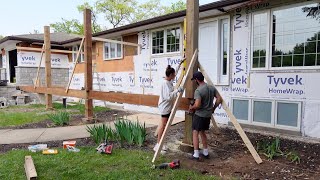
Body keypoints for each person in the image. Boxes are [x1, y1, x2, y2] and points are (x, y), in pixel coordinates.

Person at [188, 71, 222, 160]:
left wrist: (192, 107)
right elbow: (219, 98)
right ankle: (206, 152)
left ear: (196, 80)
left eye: (194, 80)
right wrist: (213, 108)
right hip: (207, 115)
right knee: (202, 132)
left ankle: (196, 154)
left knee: (195, 132)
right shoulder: (211, 87)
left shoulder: (198, 90)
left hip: (199, 115)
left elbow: (198, 104)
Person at [154, 65, 184, 153]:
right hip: (165, 107)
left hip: (167, 107)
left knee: (163, 125)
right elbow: (168, 97)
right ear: (170, 75)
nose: (174, 77)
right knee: (163, 126)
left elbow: (175, 74)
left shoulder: (169, 80)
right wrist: (177, 90)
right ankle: (158, 145)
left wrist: (180, 65)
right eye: (173, 75)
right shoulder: (165, 84)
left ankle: (160, 143)